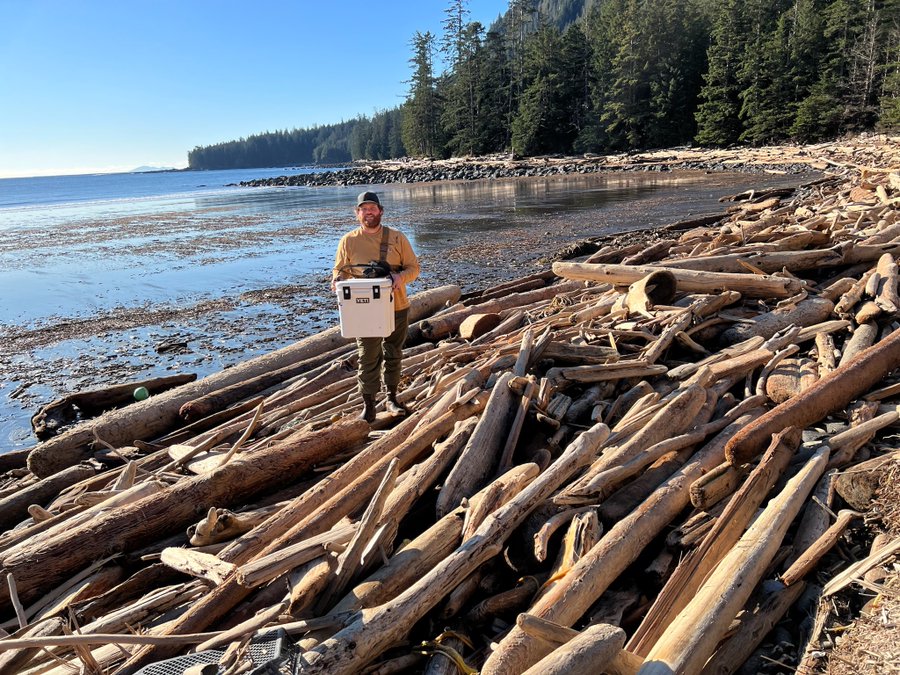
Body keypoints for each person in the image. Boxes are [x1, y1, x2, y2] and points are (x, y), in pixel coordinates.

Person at [332, 191, 420, 422]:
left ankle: (391, 397)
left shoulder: (397, 237)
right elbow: (339, 271)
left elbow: (414, 268)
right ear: (357, 213)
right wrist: (337, 280)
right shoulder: (348, 240)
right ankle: (368, 405)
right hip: (363, 309)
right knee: (368, 355)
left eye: (372, 208)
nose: (368, 212)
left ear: (381, 211)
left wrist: (400, 278)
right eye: (364, 208)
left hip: (397, 306)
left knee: (393, 352)